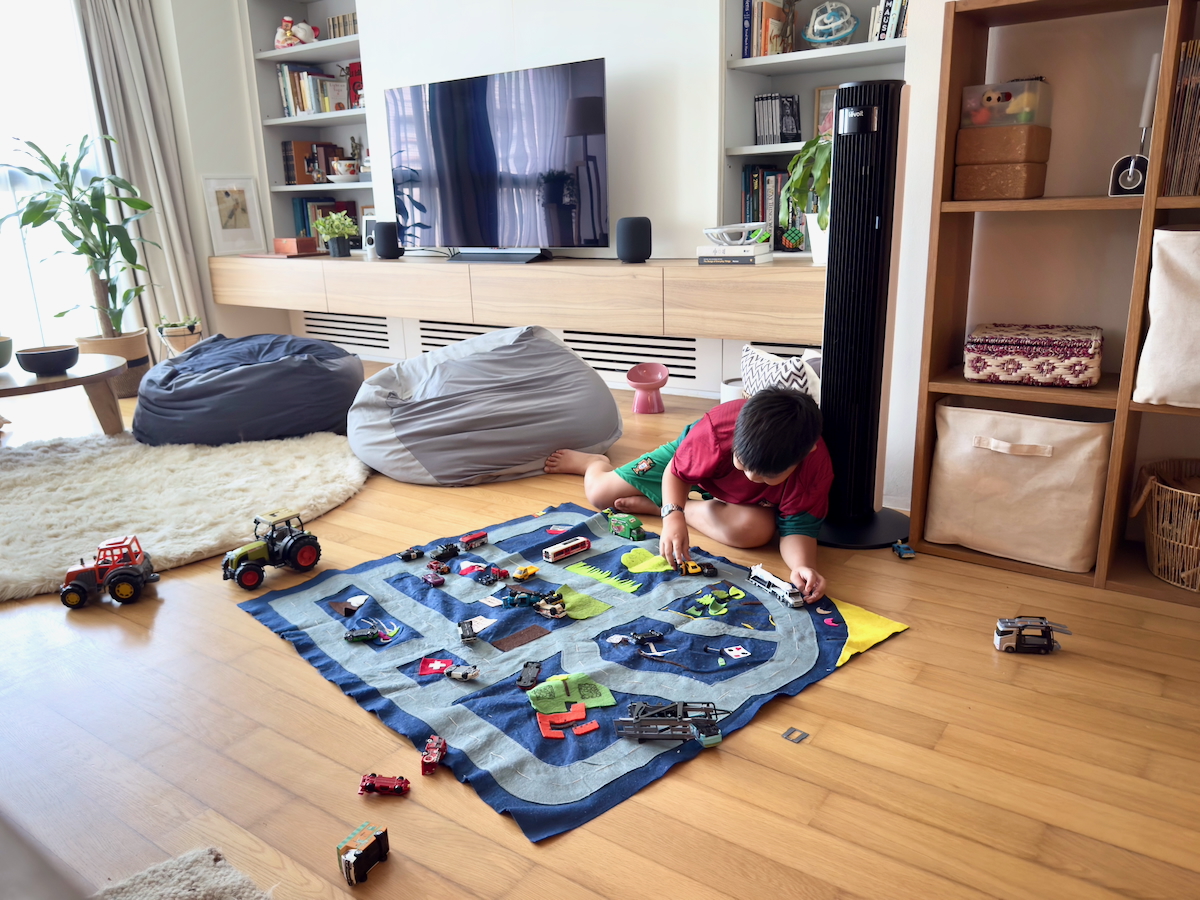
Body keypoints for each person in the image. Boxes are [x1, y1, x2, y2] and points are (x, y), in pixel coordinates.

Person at [545, 387, 832, 602]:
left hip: (744, 505)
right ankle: (594, 464)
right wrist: (672, 517)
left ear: (806, 453)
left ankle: (659, 505)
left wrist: (803, 566)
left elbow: (798, 528)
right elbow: (677, 473)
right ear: (737, 435)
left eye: (767, 477)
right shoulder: (715, 431)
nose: (750, 477)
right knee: (600, 495)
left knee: (753, 532)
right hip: (691, 469)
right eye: (742, 464)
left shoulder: (814, 468)